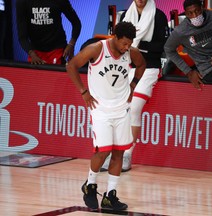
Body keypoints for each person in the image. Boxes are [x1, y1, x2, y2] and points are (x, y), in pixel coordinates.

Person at [66, 21, 146, 210]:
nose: (127, 47)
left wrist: (133, 85)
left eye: (129, 44)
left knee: (119, 152)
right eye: (124, 43)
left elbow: (142, 64)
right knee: (103, 151)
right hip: (100, 108)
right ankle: (90, 185)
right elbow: (71, 66)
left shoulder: (131, 52)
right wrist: (84, 92)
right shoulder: (96, 49)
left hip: (121, 109)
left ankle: (110, 195)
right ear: (115, 37)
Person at [101, 0, 169, 172]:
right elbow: (117, 43)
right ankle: (113, 153)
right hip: (127, 67)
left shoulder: (159, 16)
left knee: (134, 108)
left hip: (150, 67)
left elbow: (162, 46)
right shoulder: (125, 15)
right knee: (118, 108)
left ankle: (127, 154)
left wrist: (138, 46)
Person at [16, 0, 81, 65]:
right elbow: (22, 36)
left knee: (56, 75)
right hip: (35, 52)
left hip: (58, 50)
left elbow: (76, 23)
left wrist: (71, 44)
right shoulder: (22, 2)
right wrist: (32, 54)